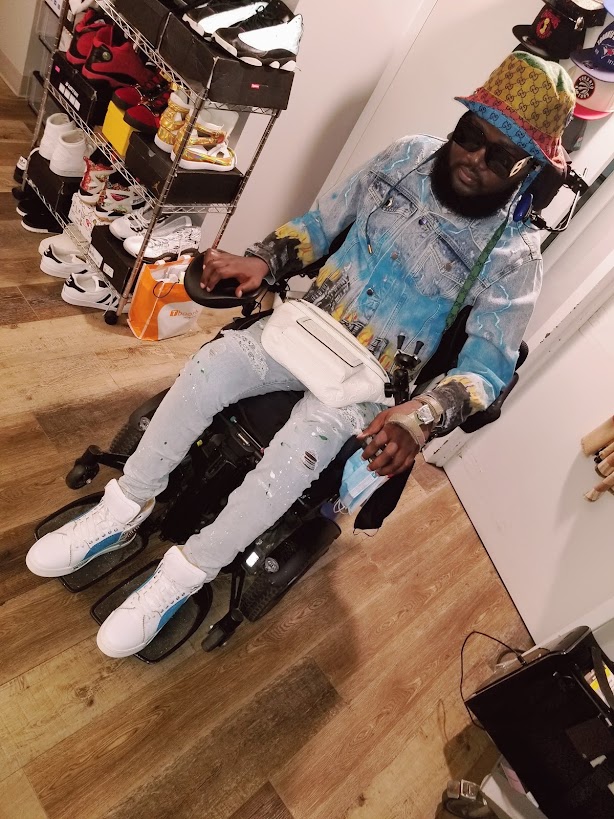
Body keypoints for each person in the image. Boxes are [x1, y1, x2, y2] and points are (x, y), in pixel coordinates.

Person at [26, 52, 575, 658]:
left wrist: (421, 418)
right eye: (470, 136)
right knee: (210, 366)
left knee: (299, 451)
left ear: (529, 171)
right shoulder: (404, 158)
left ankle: (185, 574)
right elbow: (319, 224)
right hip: (305, 327)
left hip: (370, 379)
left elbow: (488, 370)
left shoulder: (515, 260)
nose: (473, 159)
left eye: (501, 156)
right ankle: (124, 506)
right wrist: (262, 260)